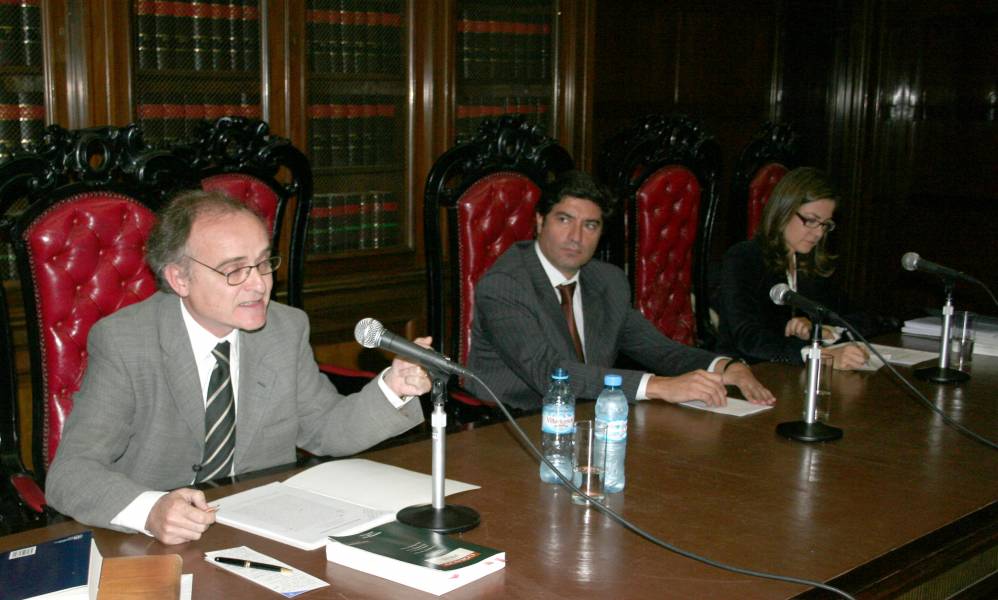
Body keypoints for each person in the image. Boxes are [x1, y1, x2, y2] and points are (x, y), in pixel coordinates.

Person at [46, 190, 431, 545]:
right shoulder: (126, 341)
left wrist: (392, 388)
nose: (259, 285)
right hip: (157, 543)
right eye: (234, 270)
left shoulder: (285, 328)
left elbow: (323, 429)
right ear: (180, 278)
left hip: (266, 530)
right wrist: (150, 510)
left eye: (263, 263)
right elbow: (71, 474)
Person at [465, 170, 775, 411]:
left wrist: (725, 367)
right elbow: (549, 374)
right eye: (564, 220)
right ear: (539, 221)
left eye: (590, 226)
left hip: (588, 418)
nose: (576, 237)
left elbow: (658, 349)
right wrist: (659, 387)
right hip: (511, 421)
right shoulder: (505, 285)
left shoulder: (607, 281)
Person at [716, 167, 869, 368]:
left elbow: (860, 317)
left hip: (793, 374)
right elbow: (748, 338)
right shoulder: (744, 257)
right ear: (784, 210)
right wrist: (815, 356)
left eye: (825, 225)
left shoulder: (811, 264)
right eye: (811, 220)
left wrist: (823, 328)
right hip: (748, 371)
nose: (818, 234)